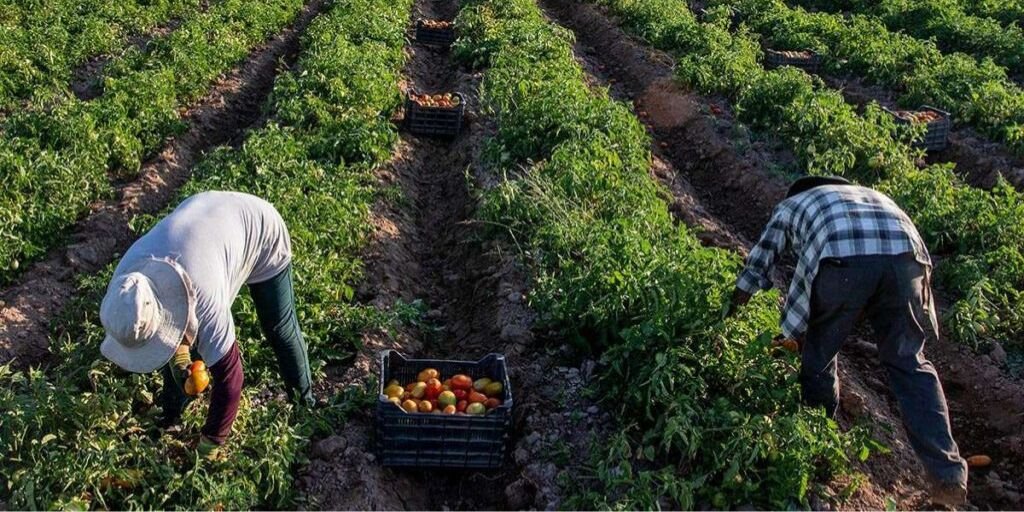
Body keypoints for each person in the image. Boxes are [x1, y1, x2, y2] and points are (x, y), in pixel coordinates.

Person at [726, 176, 968, 506]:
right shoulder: (871, 196)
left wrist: (730, 311)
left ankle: (818, 444)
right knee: (909, 362)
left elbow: (758, 263)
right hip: (906, 260)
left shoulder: (791, 205)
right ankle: (947, 474)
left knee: (819, 355)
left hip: (843, 264)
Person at [99, 191, 313, 459]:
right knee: (185, 348)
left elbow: (231, 380)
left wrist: (211, 442)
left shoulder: (205, 300)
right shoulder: (127, 285)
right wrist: (180, 361)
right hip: (204, 222)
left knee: (278, 328)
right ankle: (172, 415)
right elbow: (163, 326)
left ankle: (305, 405)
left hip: (259, 229)